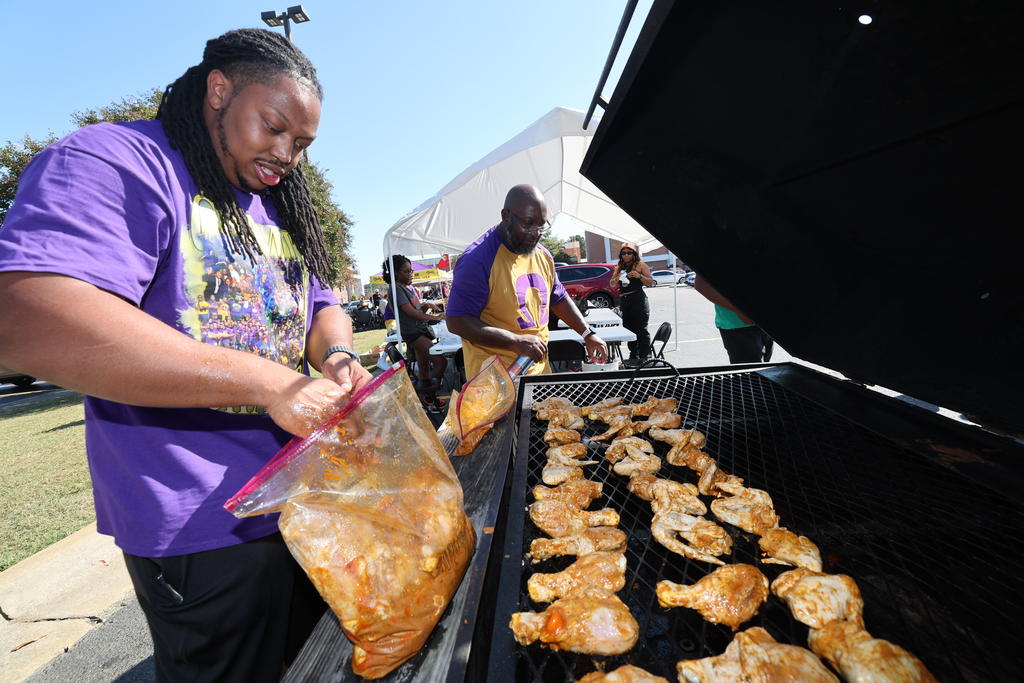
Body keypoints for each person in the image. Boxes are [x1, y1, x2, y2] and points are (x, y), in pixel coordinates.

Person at [0, 29, 373, 681]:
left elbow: (320, 300)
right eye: (275, 126)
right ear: (220, 89)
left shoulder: (273, 204)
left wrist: (338, 355)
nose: (286, 153)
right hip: (201, 527)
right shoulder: (119, 160)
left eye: (302, 144)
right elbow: (27, 312)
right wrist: (268, 383)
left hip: (305, 505)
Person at [446, 184, 607, 378]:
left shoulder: (543, 255)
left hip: (538, 373)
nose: (536, 232)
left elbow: (558, 298)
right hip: (494, 382)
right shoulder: (477, 259)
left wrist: (587, 333)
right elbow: (457, 321)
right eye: (528, 223)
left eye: (541, 225)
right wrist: (514, 341)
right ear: (505, 216)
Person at [383, 254, 448, 412]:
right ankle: (420, 396)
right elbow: (411, 313)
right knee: (441, 362)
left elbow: (415, 310)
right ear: (396, 273)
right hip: (414, 334)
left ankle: (428, 400)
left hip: (420, 331)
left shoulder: (405, 288)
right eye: (407, 271)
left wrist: (426, 306)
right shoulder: (396, 289)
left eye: (411, 270)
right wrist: (436, 317)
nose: (411, 274)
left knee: (424, 369)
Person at [694, 274, 774, 363]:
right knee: (750, 373)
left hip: (764, 324)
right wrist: (738, 310)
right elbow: (701, 285)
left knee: (765, 369)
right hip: (739, 325)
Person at [610, 243, 655, 367]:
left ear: (634, 254)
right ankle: (633, 354)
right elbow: (612, 283)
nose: (626, 255)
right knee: (629, 329)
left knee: (641, 329)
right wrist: (618, 276)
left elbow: (650, 282)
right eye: (623, 253)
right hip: (625, 300)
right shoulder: (619, 266)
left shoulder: (640, 265)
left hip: (638, 298)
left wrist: (639, 276)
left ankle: (645, 355)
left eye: (629, 253)